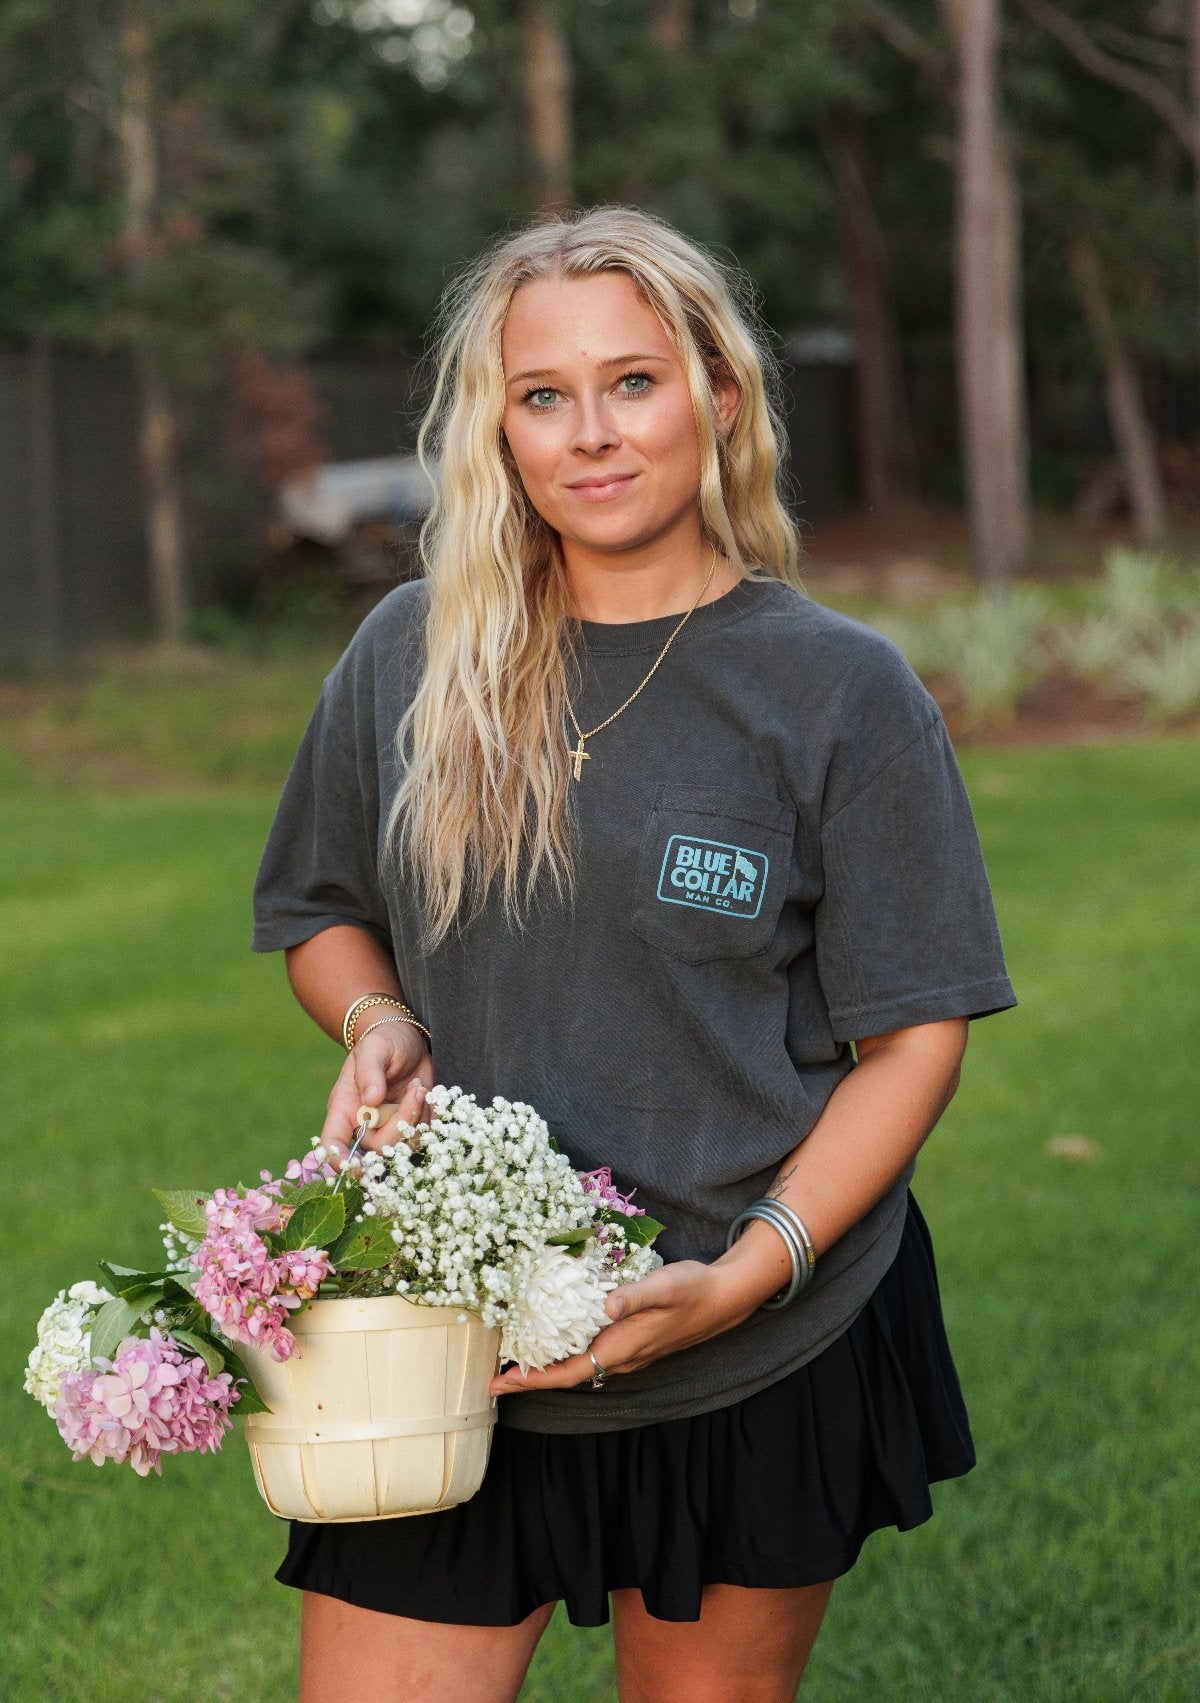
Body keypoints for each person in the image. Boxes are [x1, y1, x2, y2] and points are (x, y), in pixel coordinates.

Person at [253, 206, 1016, 1703]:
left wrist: (747, 1276)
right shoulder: (410, 655)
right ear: (500, 430)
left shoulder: (839, 692)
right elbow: (318, 912)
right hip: (447, 1332)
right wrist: (378, 1021)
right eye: (544, 397)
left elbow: (913, 1036)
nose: (591, 435)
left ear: (719, 398)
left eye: (634, 383)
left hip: (750, 1338)